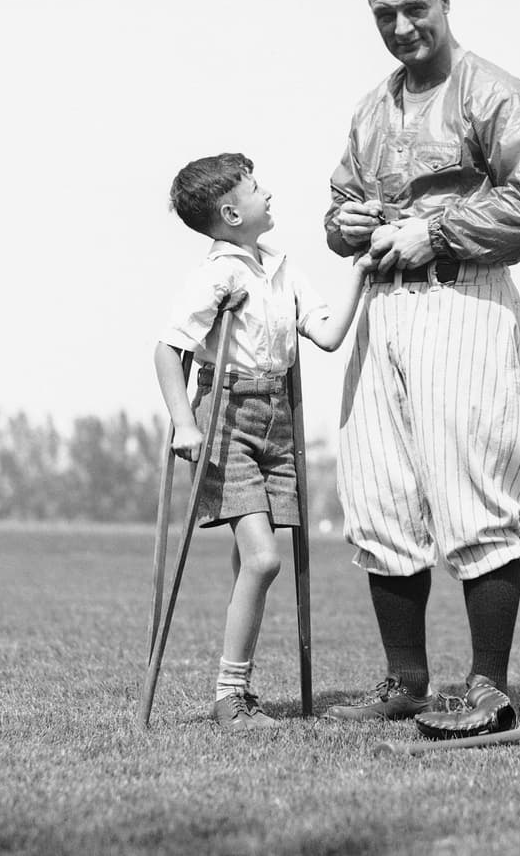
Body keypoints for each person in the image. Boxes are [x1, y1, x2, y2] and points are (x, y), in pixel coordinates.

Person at [321, 0, 520, 739]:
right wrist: (346, 222)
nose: (401, 26)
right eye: (383, 14)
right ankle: (406, 680)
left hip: (462, 297)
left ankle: (488, 685)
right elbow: (338, 207)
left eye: (414, 8)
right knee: (379, 497)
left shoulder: (496, 94)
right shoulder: (372, 109)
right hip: (382, 305)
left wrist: (438, 230)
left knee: (471, 492)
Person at [156, 152, 373, 730]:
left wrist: (361, 271)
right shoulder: (217, 275)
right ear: (231, 213)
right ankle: (230, 695)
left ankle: (238, 689)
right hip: (227, 417)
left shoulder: (281, 268)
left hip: (278, 418)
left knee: (250, 562)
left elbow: (327, 335)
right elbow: (168, 350)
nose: (268, 194)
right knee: (264, 559)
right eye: (256, 189)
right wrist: (183, 422)